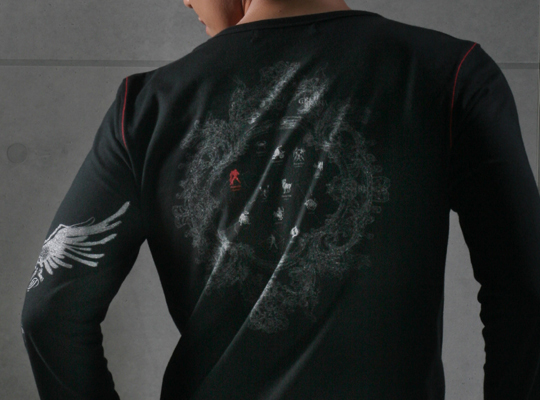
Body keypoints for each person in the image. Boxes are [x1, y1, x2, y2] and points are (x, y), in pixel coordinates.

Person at [20, 0, 540, 399]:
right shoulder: (449, 74)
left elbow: (50, 311)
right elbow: (525, 289)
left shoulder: (148, 107)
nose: (184, 0)